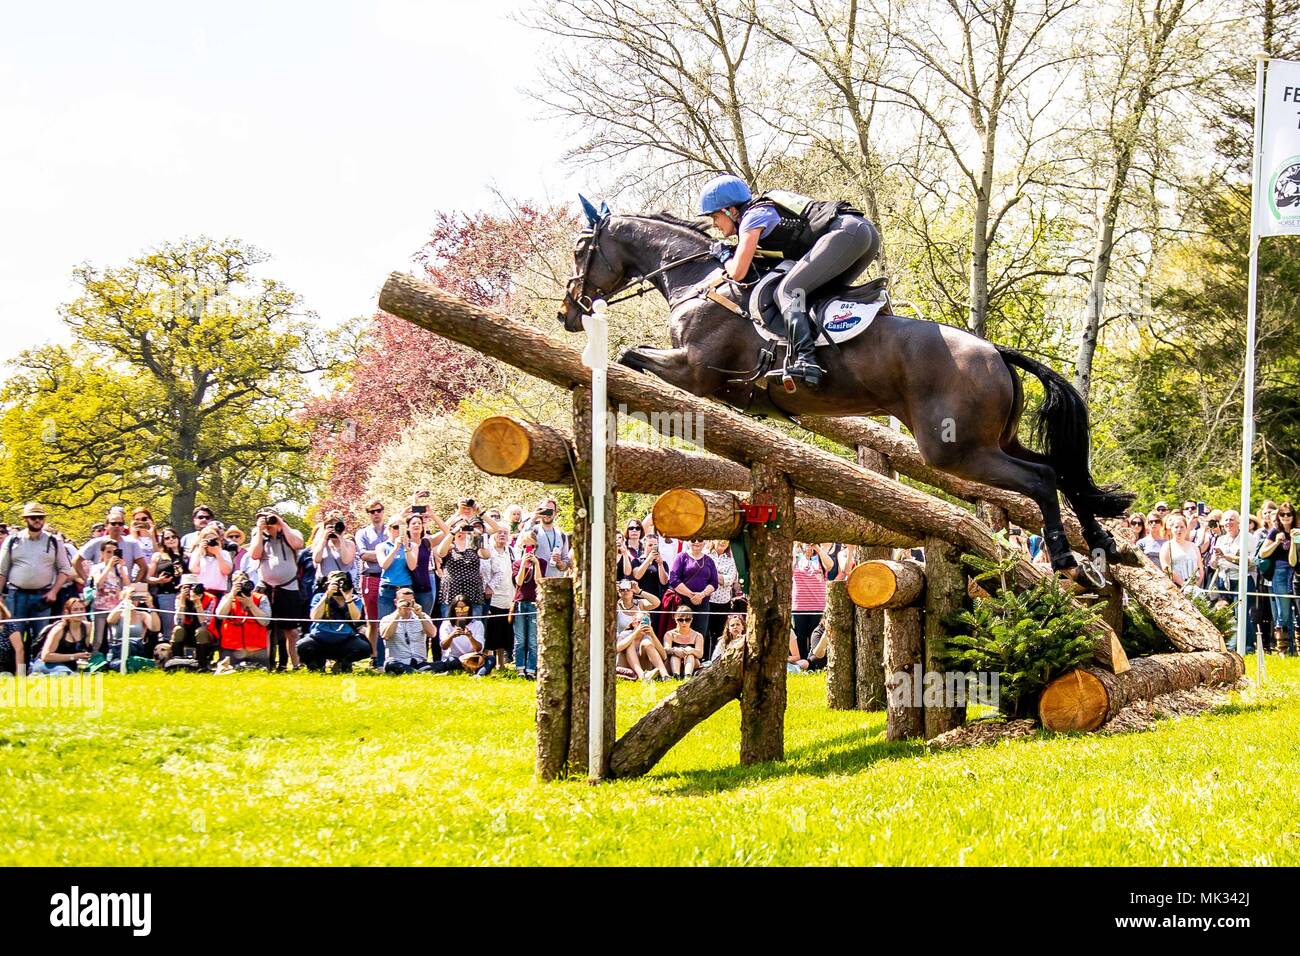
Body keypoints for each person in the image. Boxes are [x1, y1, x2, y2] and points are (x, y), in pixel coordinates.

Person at [696, 173, 879, 390]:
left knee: (789, 292)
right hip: (862, 234)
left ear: (731, 210)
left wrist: (724, 255)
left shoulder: (753, 217)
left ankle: (806, 361)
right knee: (811, 295)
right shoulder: (761, 212)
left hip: (847, 233)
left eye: (715, 217)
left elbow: (737, 273)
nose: (714, 224)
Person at [0, 502, 72, 654]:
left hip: (42, 596)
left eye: (40, 517)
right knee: (14, 635)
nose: (37, 520)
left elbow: (65, 569)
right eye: (33, 517)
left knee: (40, 637)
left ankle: (36, 669)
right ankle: (15, 669)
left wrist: (54, 591)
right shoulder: (13, 540)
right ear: (25, 519)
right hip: (15, 595)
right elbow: (2, 571)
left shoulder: (54, 541)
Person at [250, 508, 305, 671]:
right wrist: (260, 531)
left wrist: (281, 523)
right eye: (262, 519)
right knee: (264, 628)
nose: (267, 523)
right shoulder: (258, 535)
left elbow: (298, 544)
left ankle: (295, 664)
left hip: (289, 587)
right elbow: (254, 554)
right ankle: (265, 664)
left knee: (291, 631)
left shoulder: (291, 532)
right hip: (265, 587)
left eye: (269, 518)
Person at [299, 571, 369, 672]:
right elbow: (314, 617)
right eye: (336, 584)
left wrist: (348, 598)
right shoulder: (319, 597)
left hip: (345, 639)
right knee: (303, 645)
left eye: (342, 584)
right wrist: (327, 595)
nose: (339, 588)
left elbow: (356, 618)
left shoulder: (354, 599)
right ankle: (316, 665)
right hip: (320, 638)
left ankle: (343, 663)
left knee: (364, 648)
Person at [375, 517, 419, 669]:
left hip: (405, 589)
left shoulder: (412, 545)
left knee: (407, 626)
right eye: (395, 527)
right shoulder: (381, 546)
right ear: (388, 529)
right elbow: (384, 564)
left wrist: (405, 547)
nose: (397, 530)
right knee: (384, 625)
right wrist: (395, 547)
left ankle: (411, 660)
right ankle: (380, 662)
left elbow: (412, 566)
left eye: (401, 527)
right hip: (387, 589)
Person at [1258, 502, 1299, 656]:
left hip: (1296, 572)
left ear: (1293, 516)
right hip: (1280, 572)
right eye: (1283, 514)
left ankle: (1296, 650)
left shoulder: (1298, 531)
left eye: (1289, 514)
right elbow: (1262, 554)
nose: (1286, 517)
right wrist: (1276, 542)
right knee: (1283, 612)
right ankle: (1283, 650)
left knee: (1297, 613)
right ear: (1279, 516)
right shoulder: (1275, 532)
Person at [214, 570, 271, 668]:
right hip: (231, 648)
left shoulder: (261, 598)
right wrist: (232, 595)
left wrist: (250, 604)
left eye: (244, 581)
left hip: (256, 649)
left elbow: (265, 621)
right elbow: (220, 615)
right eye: (237, 583)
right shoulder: (227, 598)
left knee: (259, 673)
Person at [434, 520, 489, 620]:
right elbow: (440, 553)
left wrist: (479, 537)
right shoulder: (450, 545)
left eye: (466, 528)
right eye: (461, 528)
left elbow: (486, 555)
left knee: (475, 624)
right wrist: (453, 532)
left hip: (473, 592)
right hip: (452, 592)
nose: (462, 530)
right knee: (450, 624)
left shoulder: (474, 545)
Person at [614, 579, 667, 680]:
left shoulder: (640, 604)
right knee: (629, 644)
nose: (625, 591)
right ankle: (642, 675)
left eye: (628, 589)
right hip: (625, 643)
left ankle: (664, 676)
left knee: (647, 642)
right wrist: (613, 590)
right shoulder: (615, 606)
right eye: (623, 589)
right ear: (619, 591)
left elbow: (657, 602)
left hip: (642, 644)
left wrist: (639, 591)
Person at [355, 499, 388, 661]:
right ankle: (373, 656)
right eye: (372, 511)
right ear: (368, 514)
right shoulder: (362, 533)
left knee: (388, 619)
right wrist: (385, 553)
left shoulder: (391, 530)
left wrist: (375, 554)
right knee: (372, 621)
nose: (376, 514)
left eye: (378, 510)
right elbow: (363, 555)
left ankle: (389, 655)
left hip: (389, 578)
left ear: (383, 511)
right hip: (370, 578)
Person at [379, 585, 438, 674]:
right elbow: (386, 636)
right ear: (396, 602)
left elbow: (432, 634)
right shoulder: (387, 619)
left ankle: (417, 671)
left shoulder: (423, 617)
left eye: (410, 602)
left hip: (419, 662)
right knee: (392, 665)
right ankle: (421, 672)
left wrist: (420, 615)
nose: (407, 604)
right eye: (403, 601)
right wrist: (398, 614)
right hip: (397, 662)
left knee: (449, 663)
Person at [668, 538, 717, 640]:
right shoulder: (681, 557)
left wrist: (702, 595)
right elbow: (673, 579)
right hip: (683, 602)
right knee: (681, 634)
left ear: (705, 542)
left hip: (702, 603)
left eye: (700, 539)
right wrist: (691, 595)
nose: (696, 542)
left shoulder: (709, 561)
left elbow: (714, 582)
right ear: (688, 541)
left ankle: (697, 655)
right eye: (693, 539)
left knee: (700, 635)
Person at [511, 530, 545, 678]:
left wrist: (536, 564)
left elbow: (539, 582)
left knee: (532, 639)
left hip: (534, 603)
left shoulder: (541, 562)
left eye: (532, 546)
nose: (529, 549)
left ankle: (531, 669)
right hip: (520, 602)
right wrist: (524, 563)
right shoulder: (517, 563)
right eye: (526, 546)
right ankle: (519, 668)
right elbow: (518, 582)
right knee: (520, 639)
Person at [81, 509, 148, 583]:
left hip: (124, 591)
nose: (117, 526)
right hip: (101, 590)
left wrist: (134, 585)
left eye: (120, 524)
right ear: (106, 526)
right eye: (113, 523)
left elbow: (143, 567)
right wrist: (87, 582)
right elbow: (76, 561)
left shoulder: (132, 543)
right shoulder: (96, 542)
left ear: (123, 526)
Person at [480, 527, 514, 671]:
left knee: (503, 632)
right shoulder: (489, 552)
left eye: (505, 533)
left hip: (508, 597)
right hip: (492, 597)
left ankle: (501, 664)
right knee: (489, 632)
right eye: (499, 532)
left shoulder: (511, 551)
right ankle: (483, 663)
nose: (502, 535)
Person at [30, 597, 92, 675]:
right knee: (65, 674)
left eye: (82, 609)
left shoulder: (87, 626)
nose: (79, 612)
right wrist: (74, 656)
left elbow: (84, 649)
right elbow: (45, 656)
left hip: (70, 664)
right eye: (75, 610)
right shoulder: (59, 629)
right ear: (67, 612)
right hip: (47, 664)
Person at [431, 595, 491, 675]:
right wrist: (452, 636)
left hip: (472, 658)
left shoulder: (478, 624)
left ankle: (479, 675)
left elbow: (479, 649)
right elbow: (443, 646)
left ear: (469, 609)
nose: (462, 612)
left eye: (465, 608)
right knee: (452, 661)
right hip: (455, 658)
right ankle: (470, 671)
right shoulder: (446, 624)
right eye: (458, 609)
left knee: (491, 659)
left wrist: (470, 637)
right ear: (453, 610)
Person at [89, 540, 132, 651]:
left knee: (114, 636)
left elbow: (128, 585)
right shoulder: (97, 567)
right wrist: (108, 566)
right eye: (108, 552)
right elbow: (98, 583)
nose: (111, 555)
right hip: (100, 607)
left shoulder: (121, 568)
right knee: (98, 638)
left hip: (116, 607)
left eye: (114, 552)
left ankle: (115, 659)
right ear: (102, 553)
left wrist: (121, 568)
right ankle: (95, 658)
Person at [167, 573, 218, 668]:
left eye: (192, 587)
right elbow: (178, 622)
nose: (189, 590)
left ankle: (201, 663)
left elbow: (205, 623)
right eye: (186, 587)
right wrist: (182, 602)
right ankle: (177, 662)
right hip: (187, 632)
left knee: (201, 631)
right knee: (178, 629)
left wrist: (197, 603)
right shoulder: (179, 598)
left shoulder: (210, 598)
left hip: (206, 634)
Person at [791, 542, 832, 660]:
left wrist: (818, 549)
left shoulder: (819, 559)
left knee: (815, 636)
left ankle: (814, 663)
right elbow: (789, 567)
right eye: (806, 543)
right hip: (799, 607)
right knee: (800, 636)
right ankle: (802, 664)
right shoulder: (797, 558)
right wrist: (796, 547)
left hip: (818, 606)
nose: (808, 545)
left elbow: (830, 565)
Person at [104, 584, 160, 666]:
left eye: (135, 598)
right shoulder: (118, 614)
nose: (133, 601)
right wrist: (124, 603)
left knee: (131, 646)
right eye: (131, 597)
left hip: (137, 648)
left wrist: (151, 606)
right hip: (118, 648)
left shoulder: (143, 615)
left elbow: (156, 628)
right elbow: (110, 620)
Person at [146, 527, 184, 639]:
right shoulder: (158, 556)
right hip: (165, 594)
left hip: (182, 595)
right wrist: (159, 580)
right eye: (167, 538)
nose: (171, 540)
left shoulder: (186, 555)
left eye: (173, 537)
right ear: (163, 541)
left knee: (181, 626)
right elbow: (148, 577)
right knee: (168, 627)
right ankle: (166, 648)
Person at [705, 539, 738, 659]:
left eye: (726, 540)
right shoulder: (705, 555)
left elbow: (729, 580)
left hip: (722, 602)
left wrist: (711, 574)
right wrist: (719, 577)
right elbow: (702, 574)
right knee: (705, 631)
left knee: (719, 633)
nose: (723, 542)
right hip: (706, 600)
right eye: (720, 539)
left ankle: (716, 659)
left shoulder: (731, 560)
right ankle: (704, 659)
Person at [187, 527, 233, 606]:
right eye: (208, 540)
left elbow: (226, 571)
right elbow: (194, 569)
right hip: (201, 592)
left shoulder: (224, 553)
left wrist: (217, 554)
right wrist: (200, 551)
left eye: (214, 539)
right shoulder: (197, 553)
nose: (211, 542)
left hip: (219, 592)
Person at [1160, 514, 1204, 594]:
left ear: (1186, 528)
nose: (1179, 530)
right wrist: (1183, 585)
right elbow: (1166, 567)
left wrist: (1196, 586)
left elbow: (1200, 568)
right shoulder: (1167, 546)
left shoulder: (1194, 546)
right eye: (1176, 527)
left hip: (1194, 588)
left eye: (1182, 527)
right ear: (1172, 529)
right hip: (1176, 587)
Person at [529, 499, 571, 578]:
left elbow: (566, 561)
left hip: (555, 582)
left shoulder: (562, 535)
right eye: (544, 510)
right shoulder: (533, 531)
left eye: (550, 511)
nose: (547, 514)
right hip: (535, 582)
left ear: (555, 513)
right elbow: (520, 546)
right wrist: (533, 519)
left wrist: (560, 563)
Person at [663, 607, 704, 678]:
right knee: (675, 655)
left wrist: (692, 650)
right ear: (676, 620)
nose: (684, 623)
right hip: (672, 663)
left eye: (687, 620)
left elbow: (700, 654)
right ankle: (676, 676)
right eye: (680, 620)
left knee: (691, 656)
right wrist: (674, 650)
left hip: (692, 663)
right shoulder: (669, 634)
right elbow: (665, 649)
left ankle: (687, 676)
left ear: (691, 620)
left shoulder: (698, 635)